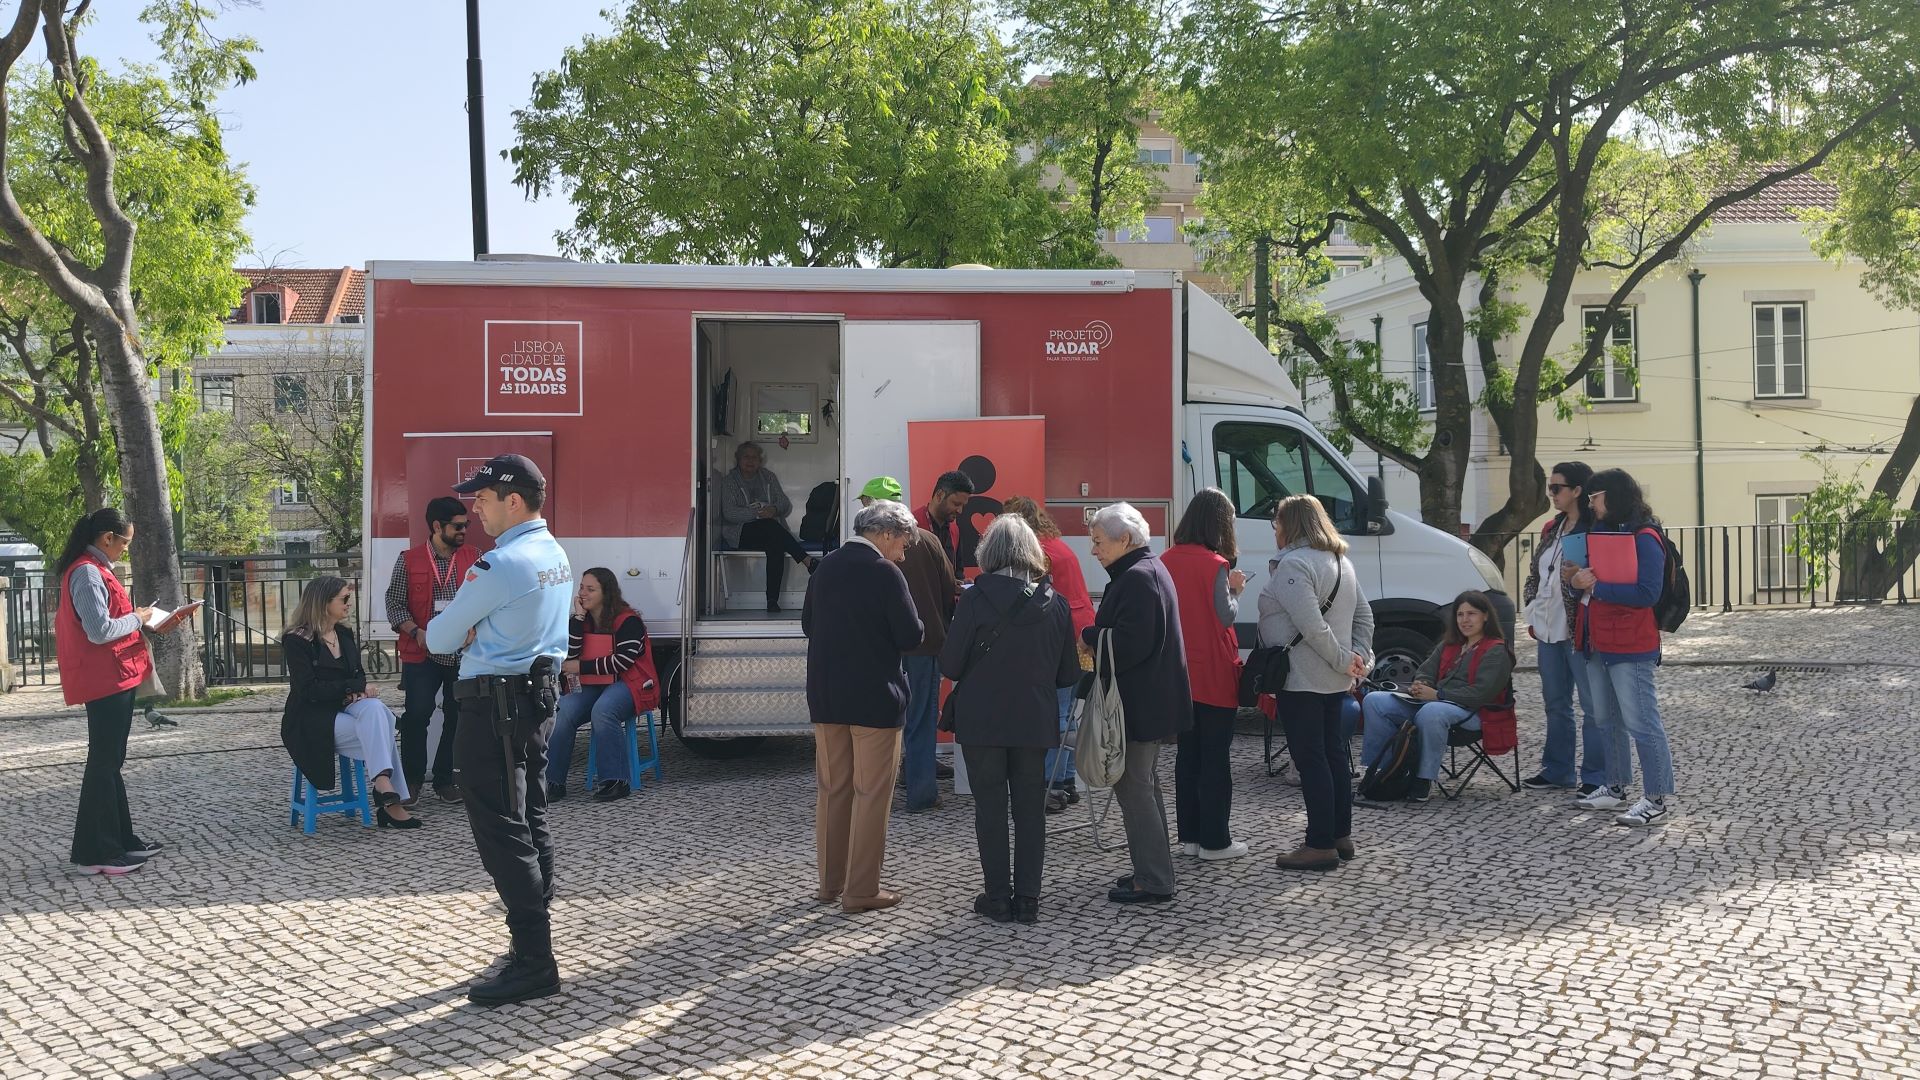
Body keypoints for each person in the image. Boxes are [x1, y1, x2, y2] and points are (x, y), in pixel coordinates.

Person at [425, 453, 573, 1006]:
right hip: (535, 701)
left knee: (503, 833)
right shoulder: (553, 551)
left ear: (513, 501)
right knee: (530, 821)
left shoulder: (500, 564)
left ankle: (535, 961)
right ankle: (530, 946)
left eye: (483, 498)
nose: (476, 509)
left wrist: (470, 626)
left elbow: (439, 638)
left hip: (495, 709)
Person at [940, 516, 1081, 925]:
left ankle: (998, 897)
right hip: (1034, 720)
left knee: (990, 809)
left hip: (982, 720)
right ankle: (1029, 899)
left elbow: (951, 665)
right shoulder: (1055, 603)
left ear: (989, 552)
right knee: (1030, 811)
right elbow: (1067, 674)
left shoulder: (974, 600)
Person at [802, 500, 924, 914]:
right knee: (871, 794)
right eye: (903, 543)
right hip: (875, 698)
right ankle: (861, 890)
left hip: (826, 696)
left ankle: (829, 885)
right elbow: (910, 635)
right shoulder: (885, 572)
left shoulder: (825, 567)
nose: (903, 554)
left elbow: (807, 625)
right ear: (887, 534)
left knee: (832, 791)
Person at [54, 508, 181, 876]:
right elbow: (99, 630)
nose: (126, 549)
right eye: (125, 542)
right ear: (107, 538)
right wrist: (138, 618)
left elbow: (107, 622)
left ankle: (120, 840)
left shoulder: (94, 569)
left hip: (113, 676)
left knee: (110, 762)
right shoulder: (86, 572)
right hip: (104, 679)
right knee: (103, 763)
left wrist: (145, 621)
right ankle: (96, 852)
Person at [1084, 502, 1192, 905]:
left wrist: (1090, 636)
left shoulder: (1137, 577)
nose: (1094, 550)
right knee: (1142, 787)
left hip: (1140, 703)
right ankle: (1153, 868)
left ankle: (1155, 878)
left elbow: (1131, 644)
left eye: (1099, 542)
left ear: (1125, 539)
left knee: (1135, 789)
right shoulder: (1146, 569)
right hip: (1150, 700)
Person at [1259, 494, 1373, 872]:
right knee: (1333, 754)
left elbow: (1312, 626)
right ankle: (1340, 835)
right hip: (1333, 679)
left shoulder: (1295, 563)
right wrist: (1359, 659)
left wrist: (1346, 661)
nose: (1274, 529)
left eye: (1276, 522)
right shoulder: (1341, 561)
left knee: (1312, 759)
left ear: (1289, 524)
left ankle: (1320, 843)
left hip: (1303, 677)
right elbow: (1365, 617)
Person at [1567, 468, 1677, 828]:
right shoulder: (1605, 533)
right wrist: (1576, 581)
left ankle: (1656, 800)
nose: (1591, 504)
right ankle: (1615, 787)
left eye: (1595, 497)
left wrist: (1595, 588)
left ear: (1612, 496)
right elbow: (1588, 584)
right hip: (1598, 639)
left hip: (1630, 642)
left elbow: (1648, 593)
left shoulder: (1645, 537)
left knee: (1642, 723)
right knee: (1606, 719)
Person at [281, 576, 420, 830]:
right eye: (344, 598)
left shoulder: (343, 633)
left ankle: (383, 784)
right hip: (312, 718)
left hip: (345, 707)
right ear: (324, 602)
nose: (349, 604)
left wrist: (354, 689)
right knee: (382, 726)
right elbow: (309, 690)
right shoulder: (297, 640)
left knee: (376, 710)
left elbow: (358, 675)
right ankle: (390, 801)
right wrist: (351, 688)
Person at [1161, 489, 1251, 861]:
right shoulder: (1216, 564)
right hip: (1214, 670)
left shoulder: (1166, 559)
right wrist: (1236, 590)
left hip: (1180, 671)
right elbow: (1224, 615)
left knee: (1187, 756)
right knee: (1215, 758)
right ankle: (1216, 841)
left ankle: (1190, 837)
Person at [860, 477, 958, 813]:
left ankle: (873, 795)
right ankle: (921, 792)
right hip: (924, 645)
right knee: (921, 720)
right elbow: (949, 589)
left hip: (883, 647)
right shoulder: (928, 540)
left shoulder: (867, 548)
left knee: (878, 723)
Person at [1360, 591, 1514, 803]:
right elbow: (1426, 670)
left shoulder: (1496, 650)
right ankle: (1386, 770)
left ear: (1486, 616)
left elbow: (1481, 694)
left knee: (1432, 711)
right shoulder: (1449, 644)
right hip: (1434, 704)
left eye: (1472, 614)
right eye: (1460, 614)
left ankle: (1423, 779)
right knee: (1374, 701)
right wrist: (1422, 684)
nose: (1465, 620)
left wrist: (1438, 695)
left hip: (1475, 713)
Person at [1001, 496, 1094, 813]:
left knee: (1056, 712)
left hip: (1063, 635)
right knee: (1067, 712)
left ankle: (1051, 786)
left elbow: (1030, 598)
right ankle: (1066, 781)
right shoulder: (1054, 543)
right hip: (1081, 631)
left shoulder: (1038, 553)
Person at [386, 495, 479, 805]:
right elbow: (394, 604)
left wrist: (475, 629)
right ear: (437, 526)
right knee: (417, 715)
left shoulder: (475, 557)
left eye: (466, 524)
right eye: (458, 526)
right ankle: (412, 780)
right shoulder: (409, 559)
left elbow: (485, 601)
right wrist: (417, 632)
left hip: (462, 654)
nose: (464, 530)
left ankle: (445, 780)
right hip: (421, 652)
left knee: (458, 715)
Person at [1520, 462, 1606, 795]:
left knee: (1592, 707)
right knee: (1555, 704)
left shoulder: (1594, 530)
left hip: (1580, 631)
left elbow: (1601, 577)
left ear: (1577, 490)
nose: (1551, 494)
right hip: (1547, 630)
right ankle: (1557, 770)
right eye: (1550, 487)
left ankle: (1596, 777)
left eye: (1557, 488)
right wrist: (1531, 607)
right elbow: (1535, 574)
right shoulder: (1551, 528)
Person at [547, 568, 658, 803]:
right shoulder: (581, 620)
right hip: (593, 684)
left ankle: (616, 781)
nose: (582, 593)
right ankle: (553, 782)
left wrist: (581, 667)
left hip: (630, 683)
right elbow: (570, 654)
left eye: (590, 589)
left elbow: (622, 661)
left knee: (604, 710)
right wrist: (578, 619)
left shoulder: (629, 620)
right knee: (563, 710)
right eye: (581, 587)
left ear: (606, 593)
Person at [719, 441, 819, 613]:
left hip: (769, 531)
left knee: (775, 542)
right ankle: (807, 560)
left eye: (754, 457)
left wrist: (774, 509)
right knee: (771, 528)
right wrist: (757, 514)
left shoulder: (768, 477)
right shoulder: (730, 481)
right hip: (740, 533)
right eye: (746, 457)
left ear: (760, 460)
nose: (750, 461)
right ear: (738, 459)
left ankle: (772, 601)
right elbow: (729, 513)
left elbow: (784, 503)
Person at [915, 470, 975, 579]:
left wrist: (961, 583)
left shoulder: (955, 530)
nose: (960, 511)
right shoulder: (912, 525)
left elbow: (958, 572)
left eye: (963, 505)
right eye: (956, 504)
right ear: (939, 495)